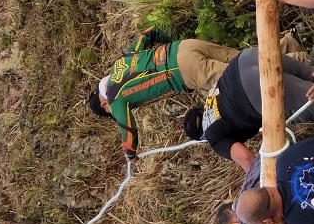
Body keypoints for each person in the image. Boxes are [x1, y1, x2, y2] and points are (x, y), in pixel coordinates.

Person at [181, 45, 314, 165]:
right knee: (313, 79)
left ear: (201, 138)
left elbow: (246, 159)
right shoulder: (211, 100)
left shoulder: (213, 138)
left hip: (254, 92)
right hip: (246, 59)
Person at [90, 31, 242, 148]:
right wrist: (172, 44)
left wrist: (130, 155)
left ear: (104, 104)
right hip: (184, 46)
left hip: (183, 70)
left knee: (240, 79)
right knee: (243, 59)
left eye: (110, 113)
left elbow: (128, 133)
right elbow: (149, 33)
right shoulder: (122, 61)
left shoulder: (114, 97)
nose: (115, 112)